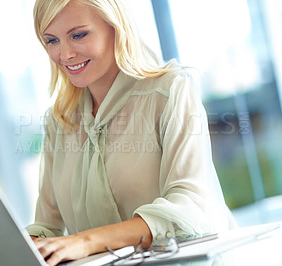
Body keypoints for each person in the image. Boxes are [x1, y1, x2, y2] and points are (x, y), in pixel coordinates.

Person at [27, 0, 236, 265]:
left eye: (78, 35)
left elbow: (190, 208)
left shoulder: (169, 92)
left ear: (115, 27)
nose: (64, 54)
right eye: (51, 40)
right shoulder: (60, 121)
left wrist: (86, 242)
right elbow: (47, 227)